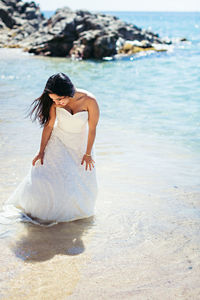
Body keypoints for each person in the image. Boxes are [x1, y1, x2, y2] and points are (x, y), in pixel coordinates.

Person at [2, 72, 100, 226]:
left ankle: (74, 215)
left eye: (59, 99)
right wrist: (41, 151)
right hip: (58, 141)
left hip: (80, 145)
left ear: (68, 92)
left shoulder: (90, 101)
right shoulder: (55, 103)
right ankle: (41, 211)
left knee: (78, 181)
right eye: (53, 100)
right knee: (45, 176)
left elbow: (92, 129)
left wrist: (88, 153)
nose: (57, 103)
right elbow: (48, 126)